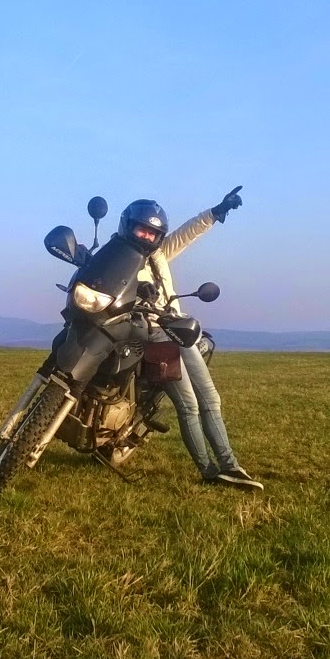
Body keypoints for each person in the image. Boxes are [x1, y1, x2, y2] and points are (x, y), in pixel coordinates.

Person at [121, 189, 262, 491]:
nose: (147, 236)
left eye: (152, 232)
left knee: (211, 399)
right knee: (188, 406)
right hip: (151, 336)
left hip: (177, 330)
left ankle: (230, 466)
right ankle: (209, 471)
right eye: (142, 230)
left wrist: (215, 212)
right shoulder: (119, 261)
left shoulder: (158, 255)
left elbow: (185, 234)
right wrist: (135, 292)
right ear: (128, 227)